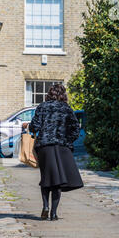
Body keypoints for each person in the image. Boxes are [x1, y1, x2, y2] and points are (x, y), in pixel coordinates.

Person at [22, 84, 83, 221]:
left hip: (44, 146)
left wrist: (27, 126)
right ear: (63, 95)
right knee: (58, 181)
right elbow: (75, 129)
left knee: (46, 178)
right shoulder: (66, 108)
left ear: (49, 94)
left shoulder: (42, 107)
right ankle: (54, 213)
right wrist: (68, 140)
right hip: (61, 147)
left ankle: (45, 206)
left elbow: (35, 126)